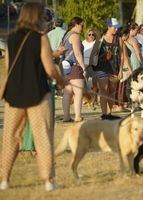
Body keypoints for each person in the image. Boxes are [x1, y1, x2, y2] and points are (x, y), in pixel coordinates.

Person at [0, 2, 65, 191]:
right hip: (37, 92)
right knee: (42, 135)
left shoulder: (10, 38)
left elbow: (7, 69)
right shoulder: (40, 38)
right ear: (36, 17)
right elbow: (50, 68)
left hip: (14, 94)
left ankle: (4, 179)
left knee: (10, 137)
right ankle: (48, 181)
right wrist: (62, 81)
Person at [91, 18, 122, 118]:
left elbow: (122, 56)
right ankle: (104, 114)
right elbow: (93, 55)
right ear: (108, 27)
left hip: (114, 68)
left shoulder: (119, 39)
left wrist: (121, 70)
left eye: (117, 28)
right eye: (114, 28)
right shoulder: (100, 40)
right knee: (103, 90)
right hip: (102, 68)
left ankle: (109, 113)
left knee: (112, 91)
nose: (116, 30)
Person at [61, 17, 86, 122]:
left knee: (67, 93)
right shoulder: (75, 36)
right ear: (76, 24)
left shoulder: (66, 35)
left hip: (66, 66)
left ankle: (66, 116)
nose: (82, 28)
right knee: (78, 92)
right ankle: (78, 116)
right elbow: (77, 53)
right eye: (82, 25)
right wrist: (83, 67)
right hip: (75, 66)